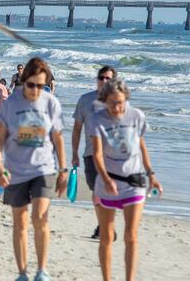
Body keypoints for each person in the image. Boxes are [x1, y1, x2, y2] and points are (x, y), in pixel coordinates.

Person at [0, 57, 67, 281]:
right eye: (31, 85)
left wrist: (63, 170)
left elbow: (58, 138)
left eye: (40, 85)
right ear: (23, 81)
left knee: (40, 216)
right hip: (15, 170)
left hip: (44, 168)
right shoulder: (10, 104)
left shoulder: (50, 103)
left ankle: (42, 271)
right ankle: (23, 273)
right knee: (20, 221)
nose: (35, 90)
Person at [89, 79, 162, 281]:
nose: (117, 107)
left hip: (134, 182)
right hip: (107, 182)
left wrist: (152, 174)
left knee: (130, 235)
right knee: (106, 236)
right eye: (112, 102)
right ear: (105, 101)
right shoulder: (97, 119)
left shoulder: (136, 116)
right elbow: (97, 154)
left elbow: (142, 147)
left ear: (126, 99)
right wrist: (105, 178)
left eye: (120, 102)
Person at [71, 65, 116, 240]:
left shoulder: (118, 101)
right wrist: (74, 153)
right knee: (96, 191)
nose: (104, 81)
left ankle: (105, 226)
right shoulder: (85, 100)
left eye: (108, 79)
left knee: (109, 191)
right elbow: (76, 129)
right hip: (91, 154)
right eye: (101, 78)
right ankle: (103, 224)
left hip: (114, 156)